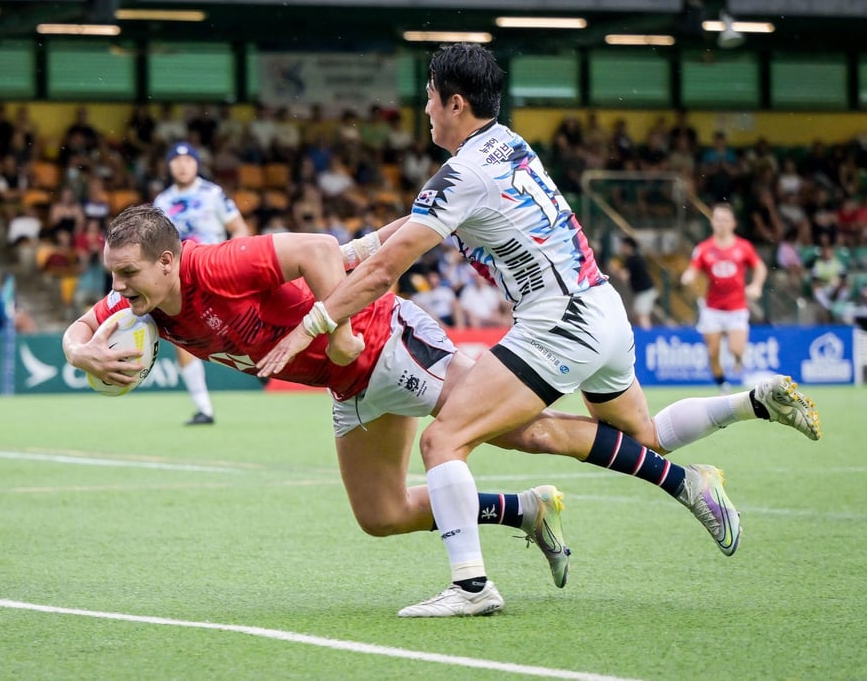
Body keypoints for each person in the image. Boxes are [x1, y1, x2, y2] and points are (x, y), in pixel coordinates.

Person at [256, 44, 821, 617]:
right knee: (642, 435)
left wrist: (313, 323)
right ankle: (753, 403)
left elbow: (384, 273)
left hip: (558, 324)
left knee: (443, 440)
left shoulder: (463, 173)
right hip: (603, 309)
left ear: (455, 103)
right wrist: (343, 251)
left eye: (429, 97)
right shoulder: (507, 144)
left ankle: (472, 586)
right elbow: (415, 224)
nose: (424, 108)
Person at [69, 205, 818, 620]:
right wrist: (83, 356)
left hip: (388, 343)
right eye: (116, 278)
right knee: (382, 512)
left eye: (130, 275)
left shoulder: (211, 265)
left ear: (168, 261)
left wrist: (335, 336)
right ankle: (526, 513)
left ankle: (686, 485)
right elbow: (81, 327)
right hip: (353, 386)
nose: (120, 290)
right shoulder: (144, 299)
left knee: (523, 429)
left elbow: (320, 250)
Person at [153, 141, 251, 425]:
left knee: (245, 326)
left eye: (188, 160)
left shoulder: (213, 194)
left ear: (196, 164)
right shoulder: (162, 202)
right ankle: (204, 408)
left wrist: (236, 260)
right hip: (179, 280)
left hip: (215, 271)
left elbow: (239, 228)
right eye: (176, 160)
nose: (182, 165)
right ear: (170, 166)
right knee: (181, 338)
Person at [681, 203, 768, 390]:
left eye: (725, 220)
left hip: (737, 308)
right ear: (712, 222)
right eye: (718, 219)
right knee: (713, 352)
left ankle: (738, 359)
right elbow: (693, 269)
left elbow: (760, 267)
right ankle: (722, 385)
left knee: (736, 349)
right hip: (712, 308)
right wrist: (688, 276)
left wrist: (756, 286)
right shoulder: (704, 248)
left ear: (733, 223)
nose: (721, 223)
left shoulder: (744, 247)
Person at [609, 235, 657, 330]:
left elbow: (624, 276)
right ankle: (647, 334)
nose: (621, 248)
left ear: (628, 247)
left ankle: (648, 335)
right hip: (645, 291)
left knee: (641, 314)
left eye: (622, 246)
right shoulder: (635, 258)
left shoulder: (632, 259)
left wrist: (614, 270)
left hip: (645, 291)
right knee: (637, 314)